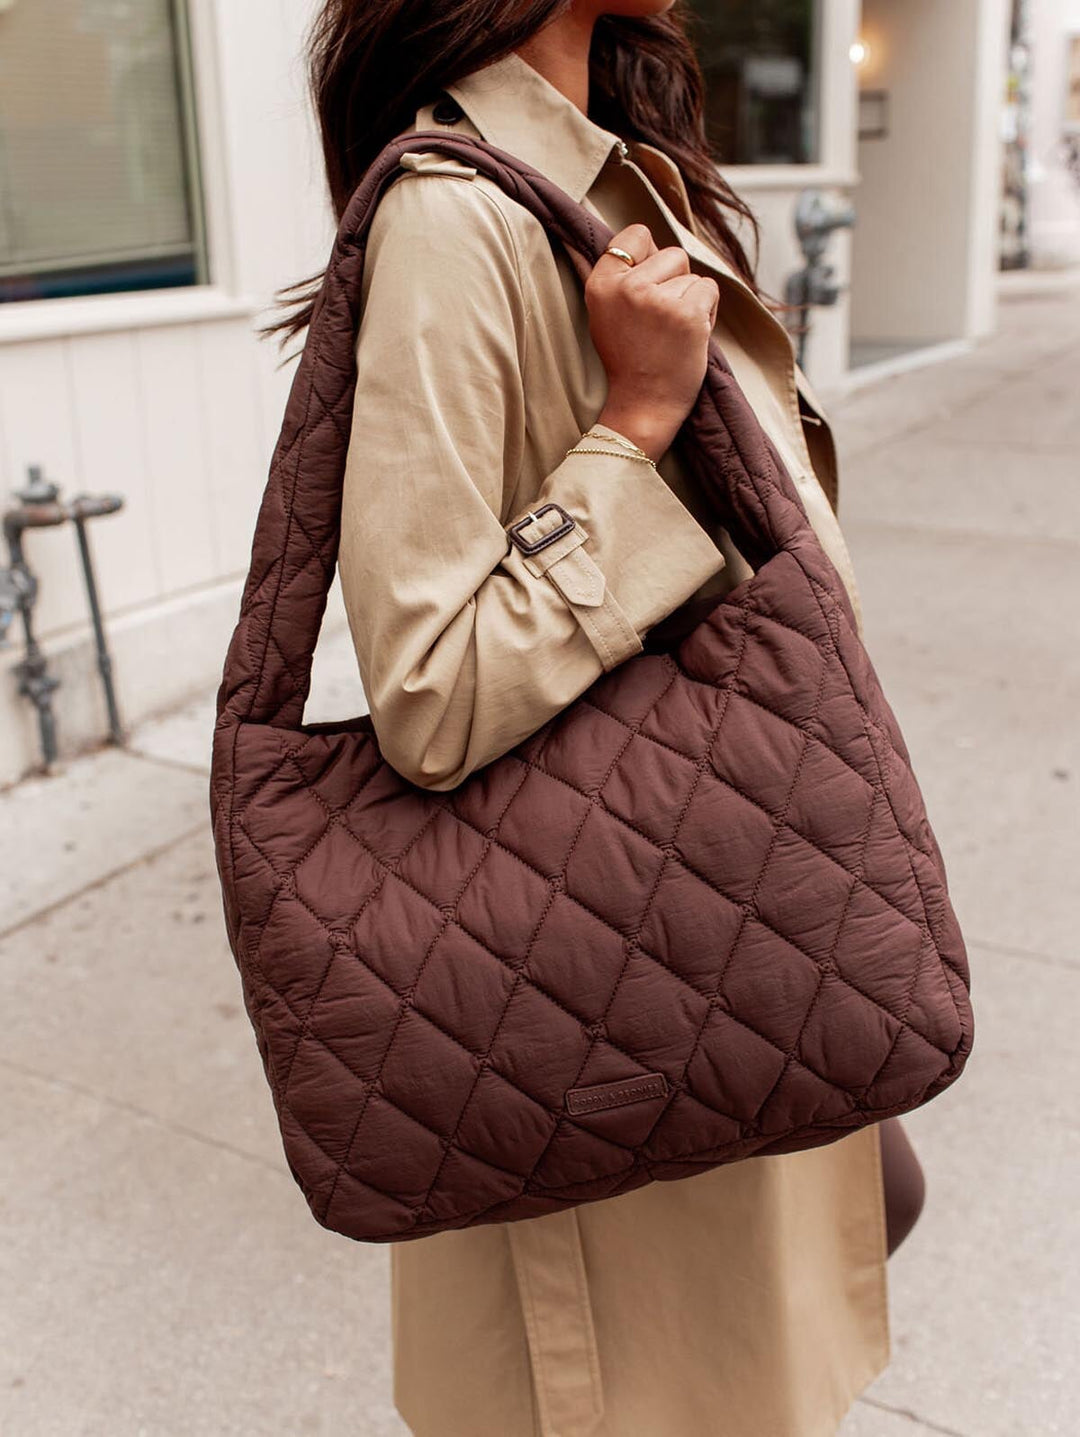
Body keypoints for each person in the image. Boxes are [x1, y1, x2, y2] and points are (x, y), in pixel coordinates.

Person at [268, 3, 927, 1433]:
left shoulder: (615, 170)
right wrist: (633, 424)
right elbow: (430, 688)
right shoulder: (457, 218)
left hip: (711, 967)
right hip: (607, 1058)